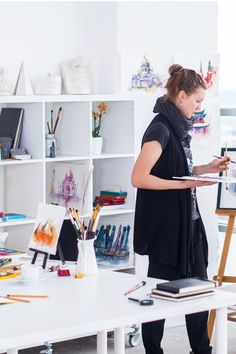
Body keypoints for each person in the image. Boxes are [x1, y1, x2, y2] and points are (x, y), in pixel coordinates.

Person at [131, 64, 230, 354]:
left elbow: (176, 170)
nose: (200, 107)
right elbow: (139, 177)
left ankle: (201, 350)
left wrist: (205, 169)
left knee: (200, 291)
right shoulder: (160, 129)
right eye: (198, 100)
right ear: (182, 95)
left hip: (190, 225)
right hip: (167, 231)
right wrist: (186, 186)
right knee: (159, 294)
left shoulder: (177, 128)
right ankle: (153, 351)